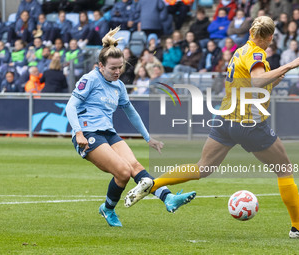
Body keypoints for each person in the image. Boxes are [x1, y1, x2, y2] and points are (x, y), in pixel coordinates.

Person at [124, 16, 299, 239]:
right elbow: (257, 81)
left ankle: (153, 184)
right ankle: (297, 227)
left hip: (226, 118)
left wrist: (278, 75)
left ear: (250, 34)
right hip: (249, 122)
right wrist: (292, 64)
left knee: (203, 167)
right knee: (284, 169)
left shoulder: (240, 51)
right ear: (271, 37)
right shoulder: (257, 53)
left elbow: (258, 82)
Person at [65, 27, 196, 227]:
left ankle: (168, 198)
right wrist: (78, 133)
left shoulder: (119, 86)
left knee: (135, 167)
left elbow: (131, 112)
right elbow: (71, 106)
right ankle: (108, 209)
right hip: (88, 133)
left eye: (120, 67)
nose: (118, 72)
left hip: (108, 133)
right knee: (123, 172)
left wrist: (148, 138)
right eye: (113, 68)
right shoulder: (90, 79)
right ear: (101, 66)